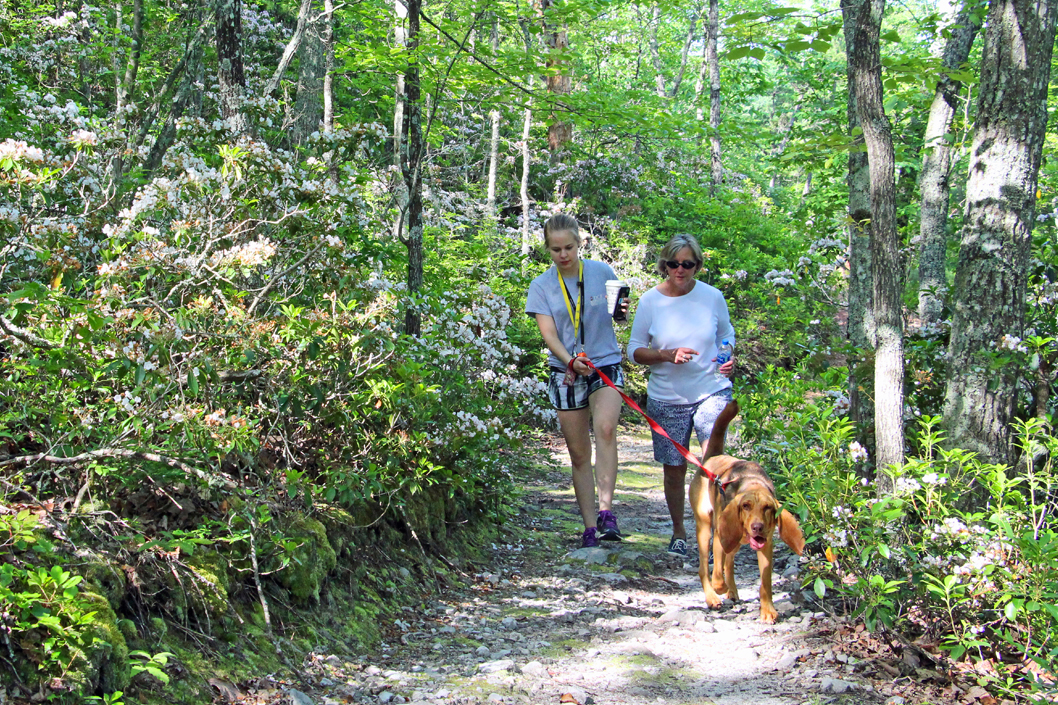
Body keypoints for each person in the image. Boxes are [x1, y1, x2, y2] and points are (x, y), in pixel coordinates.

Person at [627, 234, 736, 557]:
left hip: (711, 388)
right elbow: (634, 351)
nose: (680, 270)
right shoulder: (650, 301)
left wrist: (728, 356)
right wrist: (666, 354)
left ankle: (716, 530)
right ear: (664, 264)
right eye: (673, 264)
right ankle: (679, 532)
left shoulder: (712, 297)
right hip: (667, 396)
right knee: (674, 467)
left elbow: (726, 334)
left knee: (712, 463)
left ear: (697, 266)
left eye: (687, 264)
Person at [526, 214, 629, 548]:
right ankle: (588, 527)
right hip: (566, 372)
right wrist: (570, 360)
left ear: (580, 243)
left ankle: (607, 511)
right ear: (548, 250)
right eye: (555, 249)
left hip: (605, 364)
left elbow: (620, 314)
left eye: (568, 247)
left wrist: (622, 308)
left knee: (606, 429)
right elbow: (548, 334)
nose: (563, 255)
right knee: (579, 452)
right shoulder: (542, 285)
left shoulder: (601, 273)